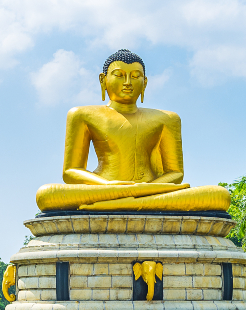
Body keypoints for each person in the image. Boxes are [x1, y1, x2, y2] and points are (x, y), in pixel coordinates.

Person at [35, 49, 230, 212]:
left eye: (135, 76)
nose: (128, 82)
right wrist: (109, 187)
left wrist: (145, 188)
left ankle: (112, 204)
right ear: (103, 80)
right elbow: (71, 171)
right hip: (104, 189)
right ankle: (125, 201)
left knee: (219, 196)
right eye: (119, 75)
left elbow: (176, 173)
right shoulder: (81, 114)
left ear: (145, 82)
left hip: (152, 190)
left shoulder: (167, 119)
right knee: (46, 194)